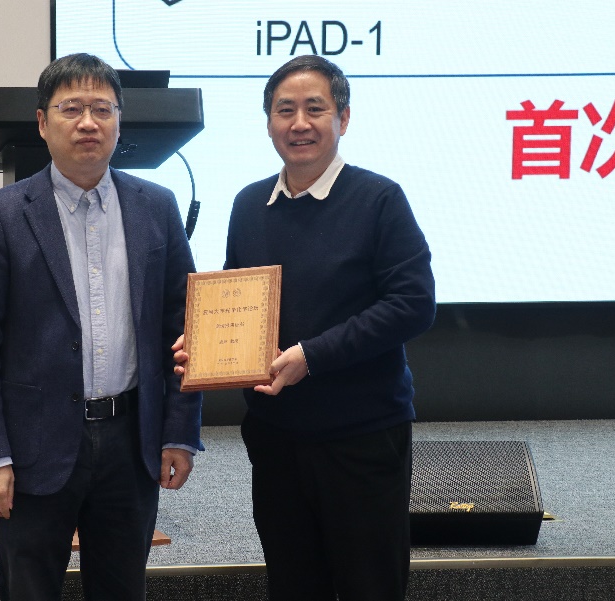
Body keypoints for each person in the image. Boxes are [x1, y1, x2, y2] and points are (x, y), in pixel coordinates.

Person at [174, 55, 435, 601]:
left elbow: (412, 305)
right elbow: (237, 298)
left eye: (315, 109)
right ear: (268, 122)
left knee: (370, 586)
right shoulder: (250, 204)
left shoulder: (379, 199)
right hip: (276, 438)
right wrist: (204, 342)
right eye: (284, 110)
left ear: (343, 118)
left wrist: (311, 355)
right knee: (292, 585)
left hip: (361, 439)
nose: (299, 123)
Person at [0, 53, 203, 601]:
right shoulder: (0, 214)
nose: (88, 122)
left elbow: (185, 327)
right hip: (33, 445)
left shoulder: (157, 207)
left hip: (131, 441)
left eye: (102, 109)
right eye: (71, 109)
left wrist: (179, 432)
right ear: (43, 123)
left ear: (119, 121)